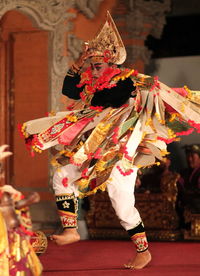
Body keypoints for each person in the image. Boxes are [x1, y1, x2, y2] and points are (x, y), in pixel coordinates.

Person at [20, 11, 200, 270]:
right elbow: (68, 89)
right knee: (62, 175)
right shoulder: (94, 84)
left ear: (112, 63)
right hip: (94, 145)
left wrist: (98, 81)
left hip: (118, 147)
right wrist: (80, 64)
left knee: (121, 202)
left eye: (97, 66)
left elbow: (115, 98)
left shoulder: (127, 81)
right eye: (91, 66)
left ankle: (143, 251)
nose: (92, 71)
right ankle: (71, 230)